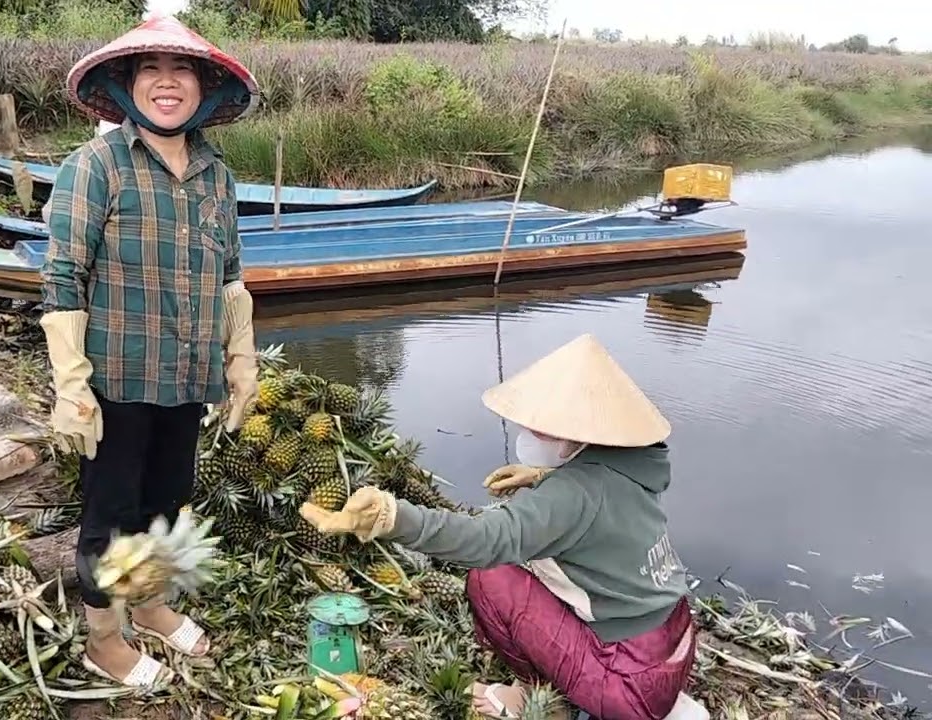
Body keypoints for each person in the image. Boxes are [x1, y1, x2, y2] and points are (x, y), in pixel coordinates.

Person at [300, 334, 701, 720]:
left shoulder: (572, 496)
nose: (529, 433)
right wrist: (544, 476)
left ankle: (544, 699)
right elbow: (599, 505)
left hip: (629, 691)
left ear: (576, 435)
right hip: (674, 651)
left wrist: (393, 516)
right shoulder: (635, 469)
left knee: (492, 579)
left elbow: (486, 540)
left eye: (541, 427)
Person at [39, 13, 261, 690]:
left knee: (171, 501)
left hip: (187, 375)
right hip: (118, 379)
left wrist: (241, 361)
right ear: (127, 86)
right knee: (112, 515)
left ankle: (154, 604)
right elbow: (62, 279)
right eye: (150, 71)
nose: (167, 83)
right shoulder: (96, 166)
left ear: (203, 89)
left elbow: (229, 275)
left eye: (182, 70)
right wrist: (71, 383)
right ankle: (104, 640)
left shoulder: (216, 176)